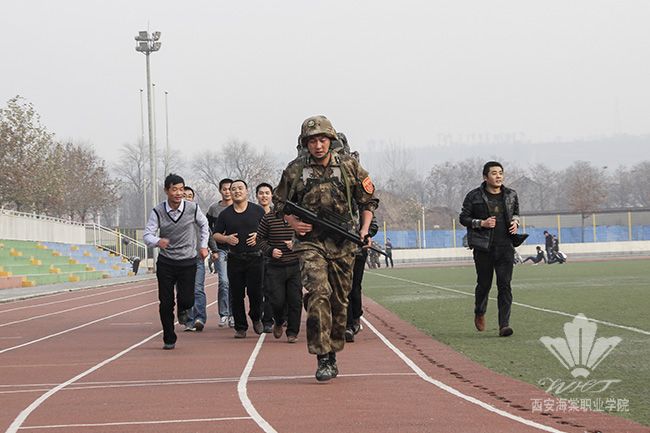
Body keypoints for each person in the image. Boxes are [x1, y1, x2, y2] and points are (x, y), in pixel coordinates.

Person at [273, 115, 379, 382]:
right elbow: (279, 202)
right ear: (305, 143)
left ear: (330, 140)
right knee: (318, 293)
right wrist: (292, 222)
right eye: (312, 141)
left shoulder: (349, 166)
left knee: (339, 301)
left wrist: (364, 230)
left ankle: (333, 351)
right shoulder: (295, 170)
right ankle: (323, 357)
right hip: (311, 243)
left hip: (343, 243)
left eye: (322, 140)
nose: (318, 146)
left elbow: (368, 201)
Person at [143, 174, 209, 350]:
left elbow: (204, 225)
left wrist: (203, 246)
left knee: (187, 300)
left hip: (188, 261)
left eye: (181, 189)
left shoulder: (192, 208)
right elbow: (147, 235)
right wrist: (158, 241)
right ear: (167, 191)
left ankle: (183, 310)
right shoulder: (158, 211)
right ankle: (169, 337)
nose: (179, 193)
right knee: (166, 302)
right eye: (174, 189)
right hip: (166, 262)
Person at [459, 161, 520, 337]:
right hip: (483, 247)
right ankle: (479, 311)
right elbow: (463, 218)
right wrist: (482, 223)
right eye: (494, 173)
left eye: (500, 173)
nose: (498, 176)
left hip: (506, 247)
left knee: (505, 285)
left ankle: (504, 325)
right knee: (484, 285)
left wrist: (516, 222)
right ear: (485, 177)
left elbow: (516, 212)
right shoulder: (474, 196)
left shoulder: (511, 194)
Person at [213, 179, 266, 338]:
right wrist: (226, 239)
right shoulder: (225, 214)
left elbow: (268, 230)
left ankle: (256, 317)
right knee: (236, 294)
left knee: (256, 293)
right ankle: (240, 327)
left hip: (255, 258)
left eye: (240, 188)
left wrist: (258, 236)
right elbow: (215, 234)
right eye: (233, 189)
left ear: (246, 191)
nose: (237, 191)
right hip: (235, 258)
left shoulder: (257, 211)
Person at [256, 200, 302, 343]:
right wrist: (270, 250)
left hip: (295, 265)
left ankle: (292, 332)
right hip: (275, 266)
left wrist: (296, 244)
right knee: (277, 301)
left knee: (295, 300)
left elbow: (309, 237)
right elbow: (259, 239)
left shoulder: (299, 217)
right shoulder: (269, 218)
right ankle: (279, 320)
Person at [206, 178, 234, 328]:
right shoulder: (213, 209)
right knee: (224, 282)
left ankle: (233, 314)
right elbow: (207, 229)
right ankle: (224, 314)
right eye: (225, 189)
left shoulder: (239, 206)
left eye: (230, 189)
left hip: (237, 250)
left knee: (235, 283)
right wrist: (213, 248)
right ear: (220, 190)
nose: (227, 192)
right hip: (220, 250)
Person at [182, 186, 207, 331]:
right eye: (184, 195)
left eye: (189, 196)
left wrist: (212, 249)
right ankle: (189, 320)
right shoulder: (173, 216)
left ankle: (199, 318)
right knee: (185, 291)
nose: (186, 198)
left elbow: (207, 231)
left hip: (197, 258)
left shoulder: (198, 215)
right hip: (180, 259)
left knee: (197, 288)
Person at [256, 182, 275, 333]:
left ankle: (268, 320)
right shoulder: (252, 212)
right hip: (256, 256)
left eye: (267, 193)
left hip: (273, 256)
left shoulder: (277, 213)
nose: (264, 196)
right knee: (258, 289)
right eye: (261, 193)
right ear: (256, 196)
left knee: (271, 289)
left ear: (271, 195)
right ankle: (259, 317)